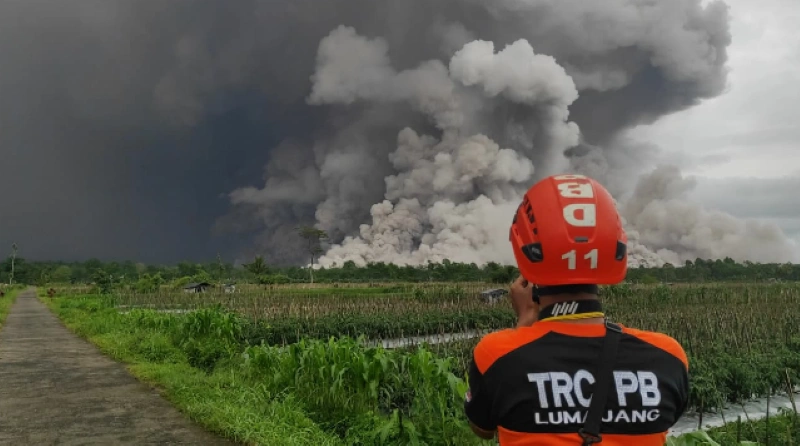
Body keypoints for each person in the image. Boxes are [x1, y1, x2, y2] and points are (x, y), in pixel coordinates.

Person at [464, 174, 689, 445]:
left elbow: (484, 429)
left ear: (527, 258)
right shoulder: (668, 356)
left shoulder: (496, 354)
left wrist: (525, 322)